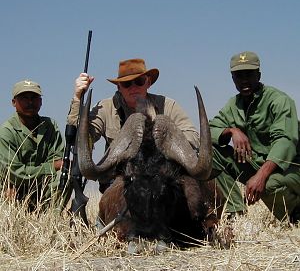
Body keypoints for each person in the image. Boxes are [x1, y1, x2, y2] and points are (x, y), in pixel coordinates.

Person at [67, 58, 200, 191]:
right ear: (118, 87)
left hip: (162, 176)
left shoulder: (167, 105)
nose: (133, 87)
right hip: (120, 180)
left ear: (148, 82)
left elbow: (193, 136)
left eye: (139, 81)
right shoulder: (105, 108)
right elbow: (81, 135)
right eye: (126, 84)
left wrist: (166, 144)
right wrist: (78, 98)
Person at [210, 51, 300, 223]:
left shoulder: (279, 100)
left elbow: (285, 142)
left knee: (269, 184)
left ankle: (294, 215)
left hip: (290, 167)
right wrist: (231, 131)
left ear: (258, 74)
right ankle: (236, 213)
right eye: (238, 75)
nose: (244, 80)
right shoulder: (233, 104)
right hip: (257, 165)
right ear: (232, 78)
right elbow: (210, 129)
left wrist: (260, 176)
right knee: (214, 154)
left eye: (249, 74)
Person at [0, 80, 65, 211]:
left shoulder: (50, 126)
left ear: (41, 101)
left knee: (66, 176)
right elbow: (15, 174)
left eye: (34, 98)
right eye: (24, 98)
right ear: (14, 102)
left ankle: (51, 220)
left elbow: (58, 161)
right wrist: (50, 167)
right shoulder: (6, 132)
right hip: (12, 189)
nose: (30, 102)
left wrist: (55, 167)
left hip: (40, 187)